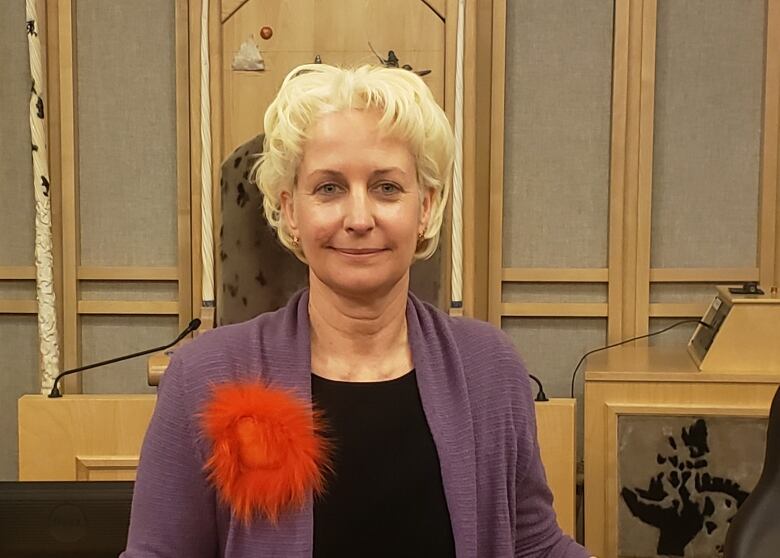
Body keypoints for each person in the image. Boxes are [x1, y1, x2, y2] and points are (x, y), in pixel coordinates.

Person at [122, 63, 590, 557]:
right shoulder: (205, 376)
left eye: (387, 187)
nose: (360, 218)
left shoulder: (489, 368)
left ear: (425, 207)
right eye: (329, 188)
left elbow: (535, 546)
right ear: (289, 210)